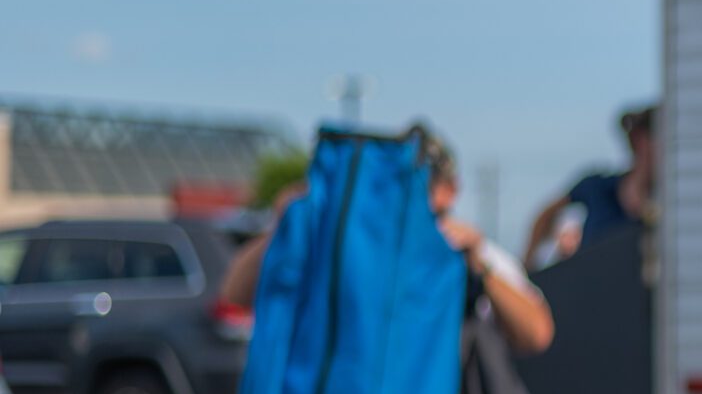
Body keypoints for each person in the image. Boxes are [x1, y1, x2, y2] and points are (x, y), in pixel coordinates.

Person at [224, 130, 554, 356]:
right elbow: (235, 293)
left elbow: (537, 333)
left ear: (450, 191)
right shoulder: (349, 251)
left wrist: (480, 268)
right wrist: (289, 226)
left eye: (422, 184)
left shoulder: (468, 254)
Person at [523, 104, 657, 269]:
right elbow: (547, 214)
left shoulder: (673, 203)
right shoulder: (598, 188)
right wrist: (528, 263)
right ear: (639, 141)